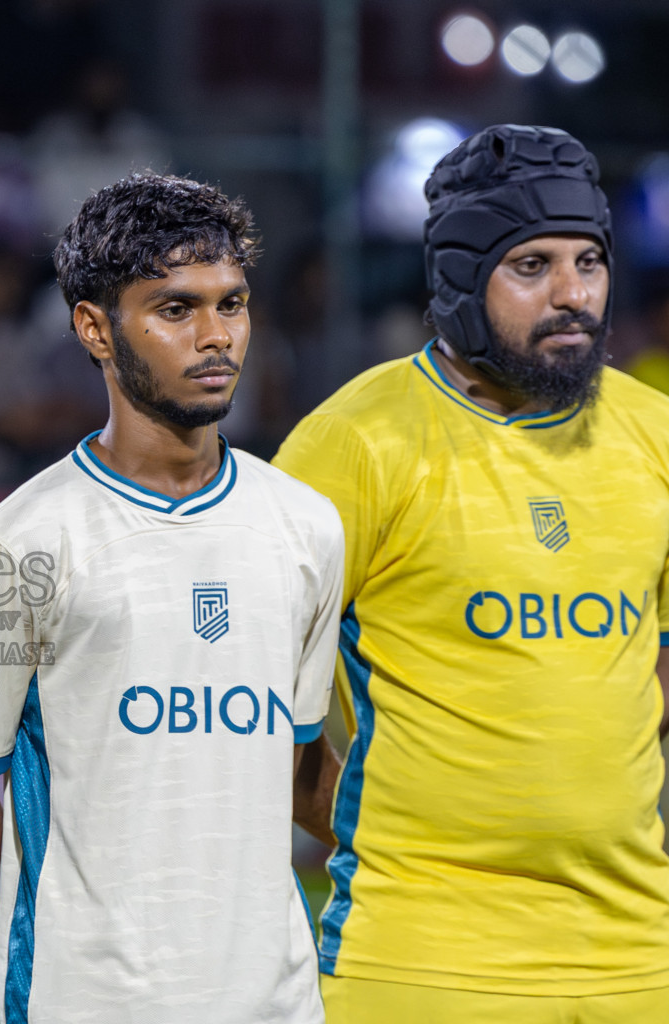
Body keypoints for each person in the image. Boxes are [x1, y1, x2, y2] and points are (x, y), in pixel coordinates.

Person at [0, 173, 343, 1023]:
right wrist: (30, 955)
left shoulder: (305, 525)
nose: (217, 336)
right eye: (177, 309)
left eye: (232, 304)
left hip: (278, 1001)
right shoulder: (18, 543)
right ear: (95, 328)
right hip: (90, 1001)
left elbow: (297, 763)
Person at [273, 124, 669, 1021]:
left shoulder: (655, 433)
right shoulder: (354, 443)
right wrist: (388, 822)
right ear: (456, 278)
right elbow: (246, 694)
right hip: (423, 952)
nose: (573, 295)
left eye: (589, 263)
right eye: (531, 266)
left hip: (641, 955)